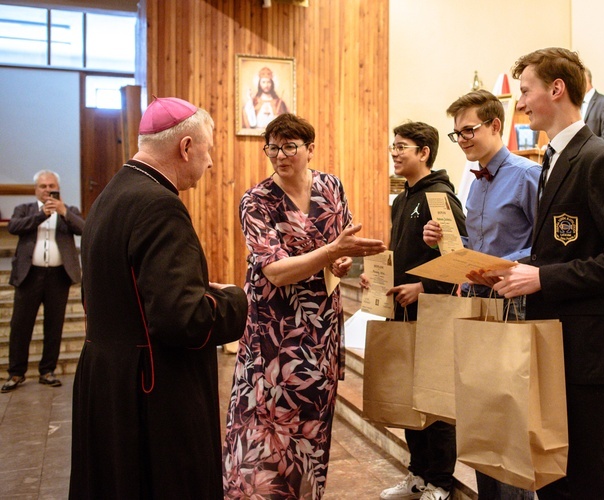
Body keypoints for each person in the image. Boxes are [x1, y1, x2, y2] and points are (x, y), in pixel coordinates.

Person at [484, 48, 604, 498]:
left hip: (588, 349)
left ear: (556, 90)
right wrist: (516, 269)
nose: (520, 102)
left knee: (585, 480)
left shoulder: (599, 159)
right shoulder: (553, 158)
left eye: (526, 90)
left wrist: (542, 279)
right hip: (555, 340)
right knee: (553, 475)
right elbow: (565, 248)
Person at [69, 97, 249, 499]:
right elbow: (181, 319)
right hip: (153, 391)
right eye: (208, 150)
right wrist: (234, 301)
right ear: (186, 147)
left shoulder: (112, 194)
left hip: (107, 378)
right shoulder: (159, 205)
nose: (210, 163)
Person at [223, 113, 386, 499]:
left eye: (290, 146)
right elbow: (277, 272)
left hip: (319, 328)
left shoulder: (331, 187)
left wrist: (340, 260)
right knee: (265, 426)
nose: (280, 155)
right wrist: (331, 251)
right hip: (274, 331)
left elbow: (339, 245)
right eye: (273, 147)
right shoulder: (256, 200)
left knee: (312, 424)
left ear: (309, 149)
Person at [423, 89, 540, 500]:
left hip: (513, 305)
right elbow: (474, 242)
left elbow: (545, 248)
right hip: (477, 302)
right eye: (456, 134)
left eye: (468, 129)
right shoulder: (474, 183)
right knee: (482, 412)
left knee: (508, 415)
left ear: (495, 125)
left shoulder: (526, 175)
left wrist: (501, 264)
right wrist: (443, 240)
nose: (463, 139)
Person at [362, 121, 467, 500]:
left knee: (434, 399)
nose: (394, 151)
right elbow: (402, 254)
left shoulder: (439, 196)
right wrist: (375, 280)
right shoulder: (403, 198)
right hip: (403, 311)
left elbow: (458, 259)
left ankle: (440, 481)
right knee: (410, 398)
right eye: (393, 145)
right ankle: (418, 476)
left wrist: (425, 287)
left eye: (402, 146)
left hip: (433, 312)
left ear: (424, 152)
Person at [1, 171, 84, 393]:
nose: (47, 190)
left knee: (54, 325)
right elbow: (14, 227)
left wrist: (63, 211)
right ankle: (16, 373)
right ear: (35, 189)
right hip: (29, 275)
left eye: (52, 186)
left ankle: (47, 371)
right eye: (43, 186)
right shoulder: (25, 210)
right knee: (20, 326)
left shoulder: (68, 210)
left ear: (58, 187)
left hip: (58, 276)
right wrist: (41, 215)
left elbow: (83, 229)